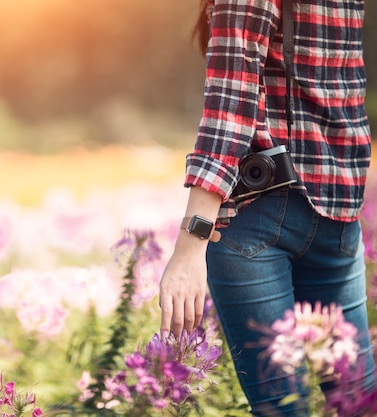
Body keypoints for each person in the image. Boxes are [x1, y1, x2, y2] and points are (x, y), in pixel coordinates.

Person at [158, 0, 375, 415]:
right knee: (357, 405)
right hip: (338, 209)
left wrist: (190, 245)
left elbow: (230, 107)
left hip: (258, 217)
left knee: (282, 409)